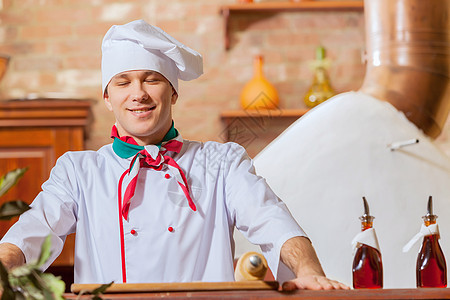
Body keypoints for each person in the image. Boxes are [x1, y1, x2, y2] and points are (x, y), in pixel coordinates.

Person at [0, 20, 347, 290]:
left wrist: (310, 271)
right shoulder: (78, 172)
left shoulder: (222, 163)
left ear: (173, 93)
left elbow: (271, 219)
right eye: (123, 83)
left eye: (151, 80)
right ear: (108, 98)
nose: (138, 94)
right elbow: (32, 231)